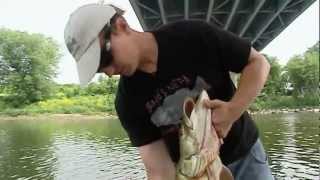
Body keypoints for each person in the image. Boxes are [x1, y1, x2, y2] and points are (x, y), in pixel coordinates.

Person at [64, 3, 274, 180]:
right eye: (100, 70)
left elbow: (257, 63)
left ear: (121, 25)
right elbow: (159, 171)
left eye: (105, 59)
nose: (109, 72)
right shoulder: (127, 103)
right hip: (195, 174)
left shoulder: (193, 35)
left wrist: (232, 111)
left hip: (247, 157)